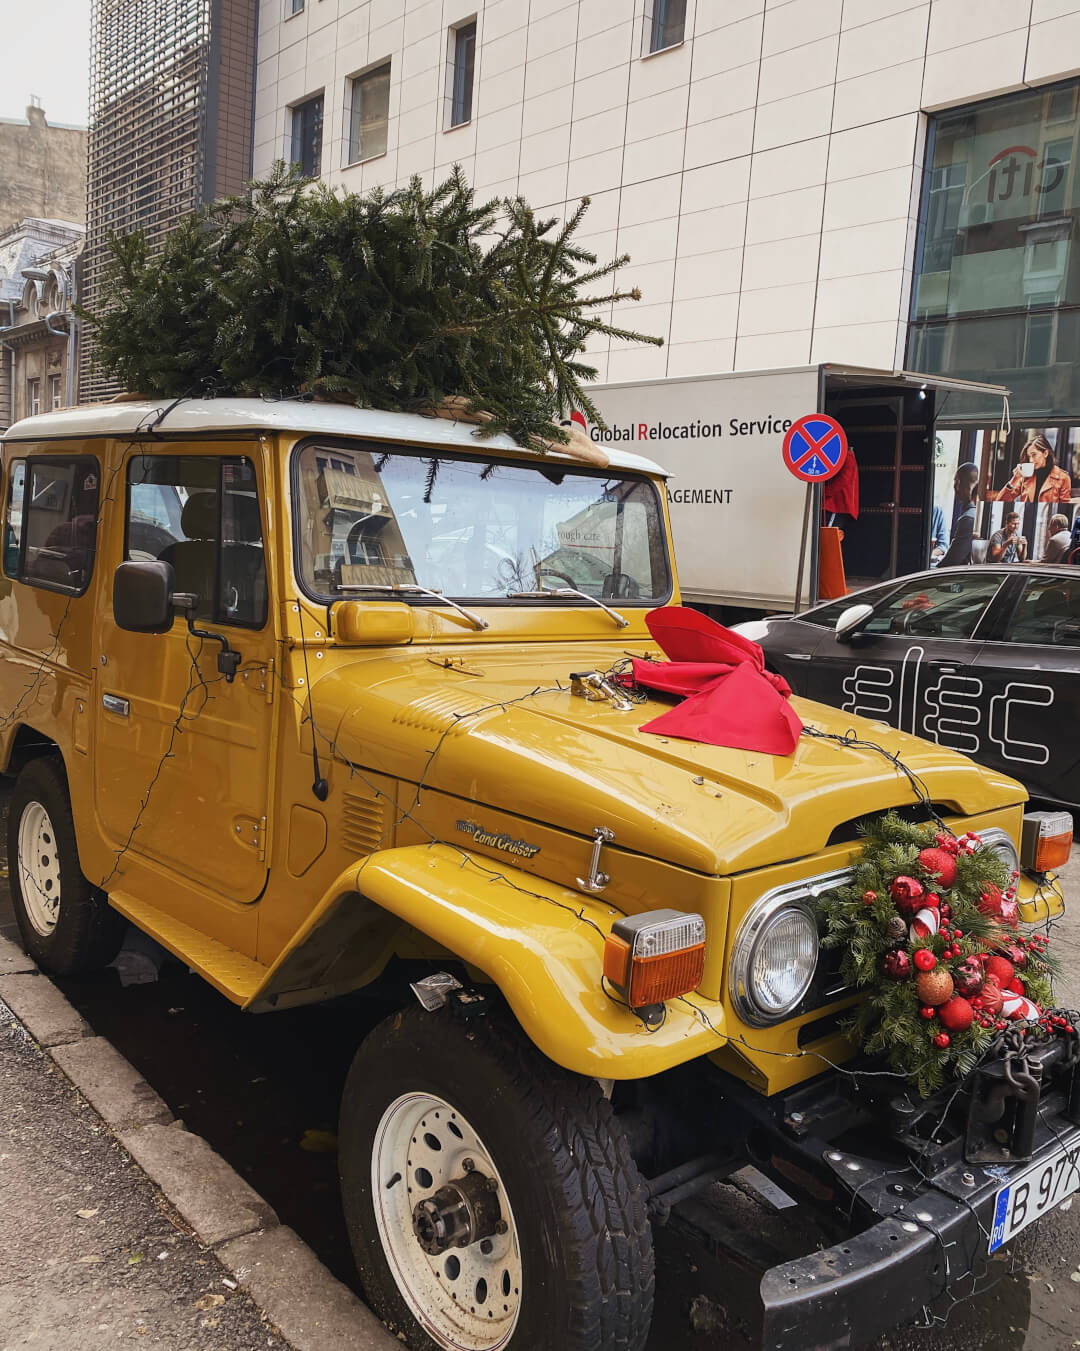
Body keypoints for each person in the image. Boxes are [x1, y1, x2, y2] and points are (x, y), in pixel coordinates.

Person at [988, 433, 1073, 503]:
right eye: (1029, 456)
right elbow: (1000, 501)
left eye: (1034, 454)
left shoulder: (1063, 478)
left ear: (1045, 453)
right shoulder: (1025, 476)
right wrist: (1014, 479)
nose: (1031, 460)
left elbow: (1063, 508)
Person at [940, 463, 979, 566]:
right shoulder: (977, 514)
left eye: (955, 481)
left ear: (958, 483)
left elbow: (950, 562)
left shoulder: (968, 518)